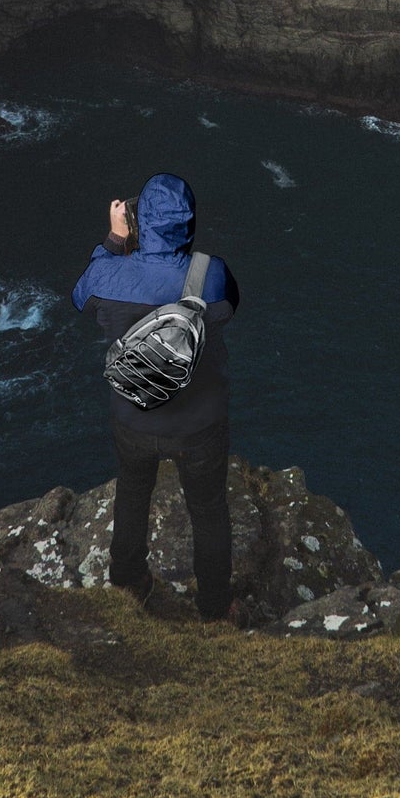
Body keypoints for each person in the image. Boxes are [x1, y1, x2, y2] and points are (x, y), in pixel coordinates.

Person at [71, 172, 242, 622]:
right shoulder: (211, 273)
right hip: (198, 423)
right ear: (188, 224)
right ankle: (216, 606)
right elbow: (229, 308)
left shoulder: (108, 273)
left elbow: (80, 294)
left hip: (133, 417)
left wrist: (114, 239)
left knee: (132, 491)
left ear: (137, 220)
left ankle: (128, 582)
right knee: (207, 510)